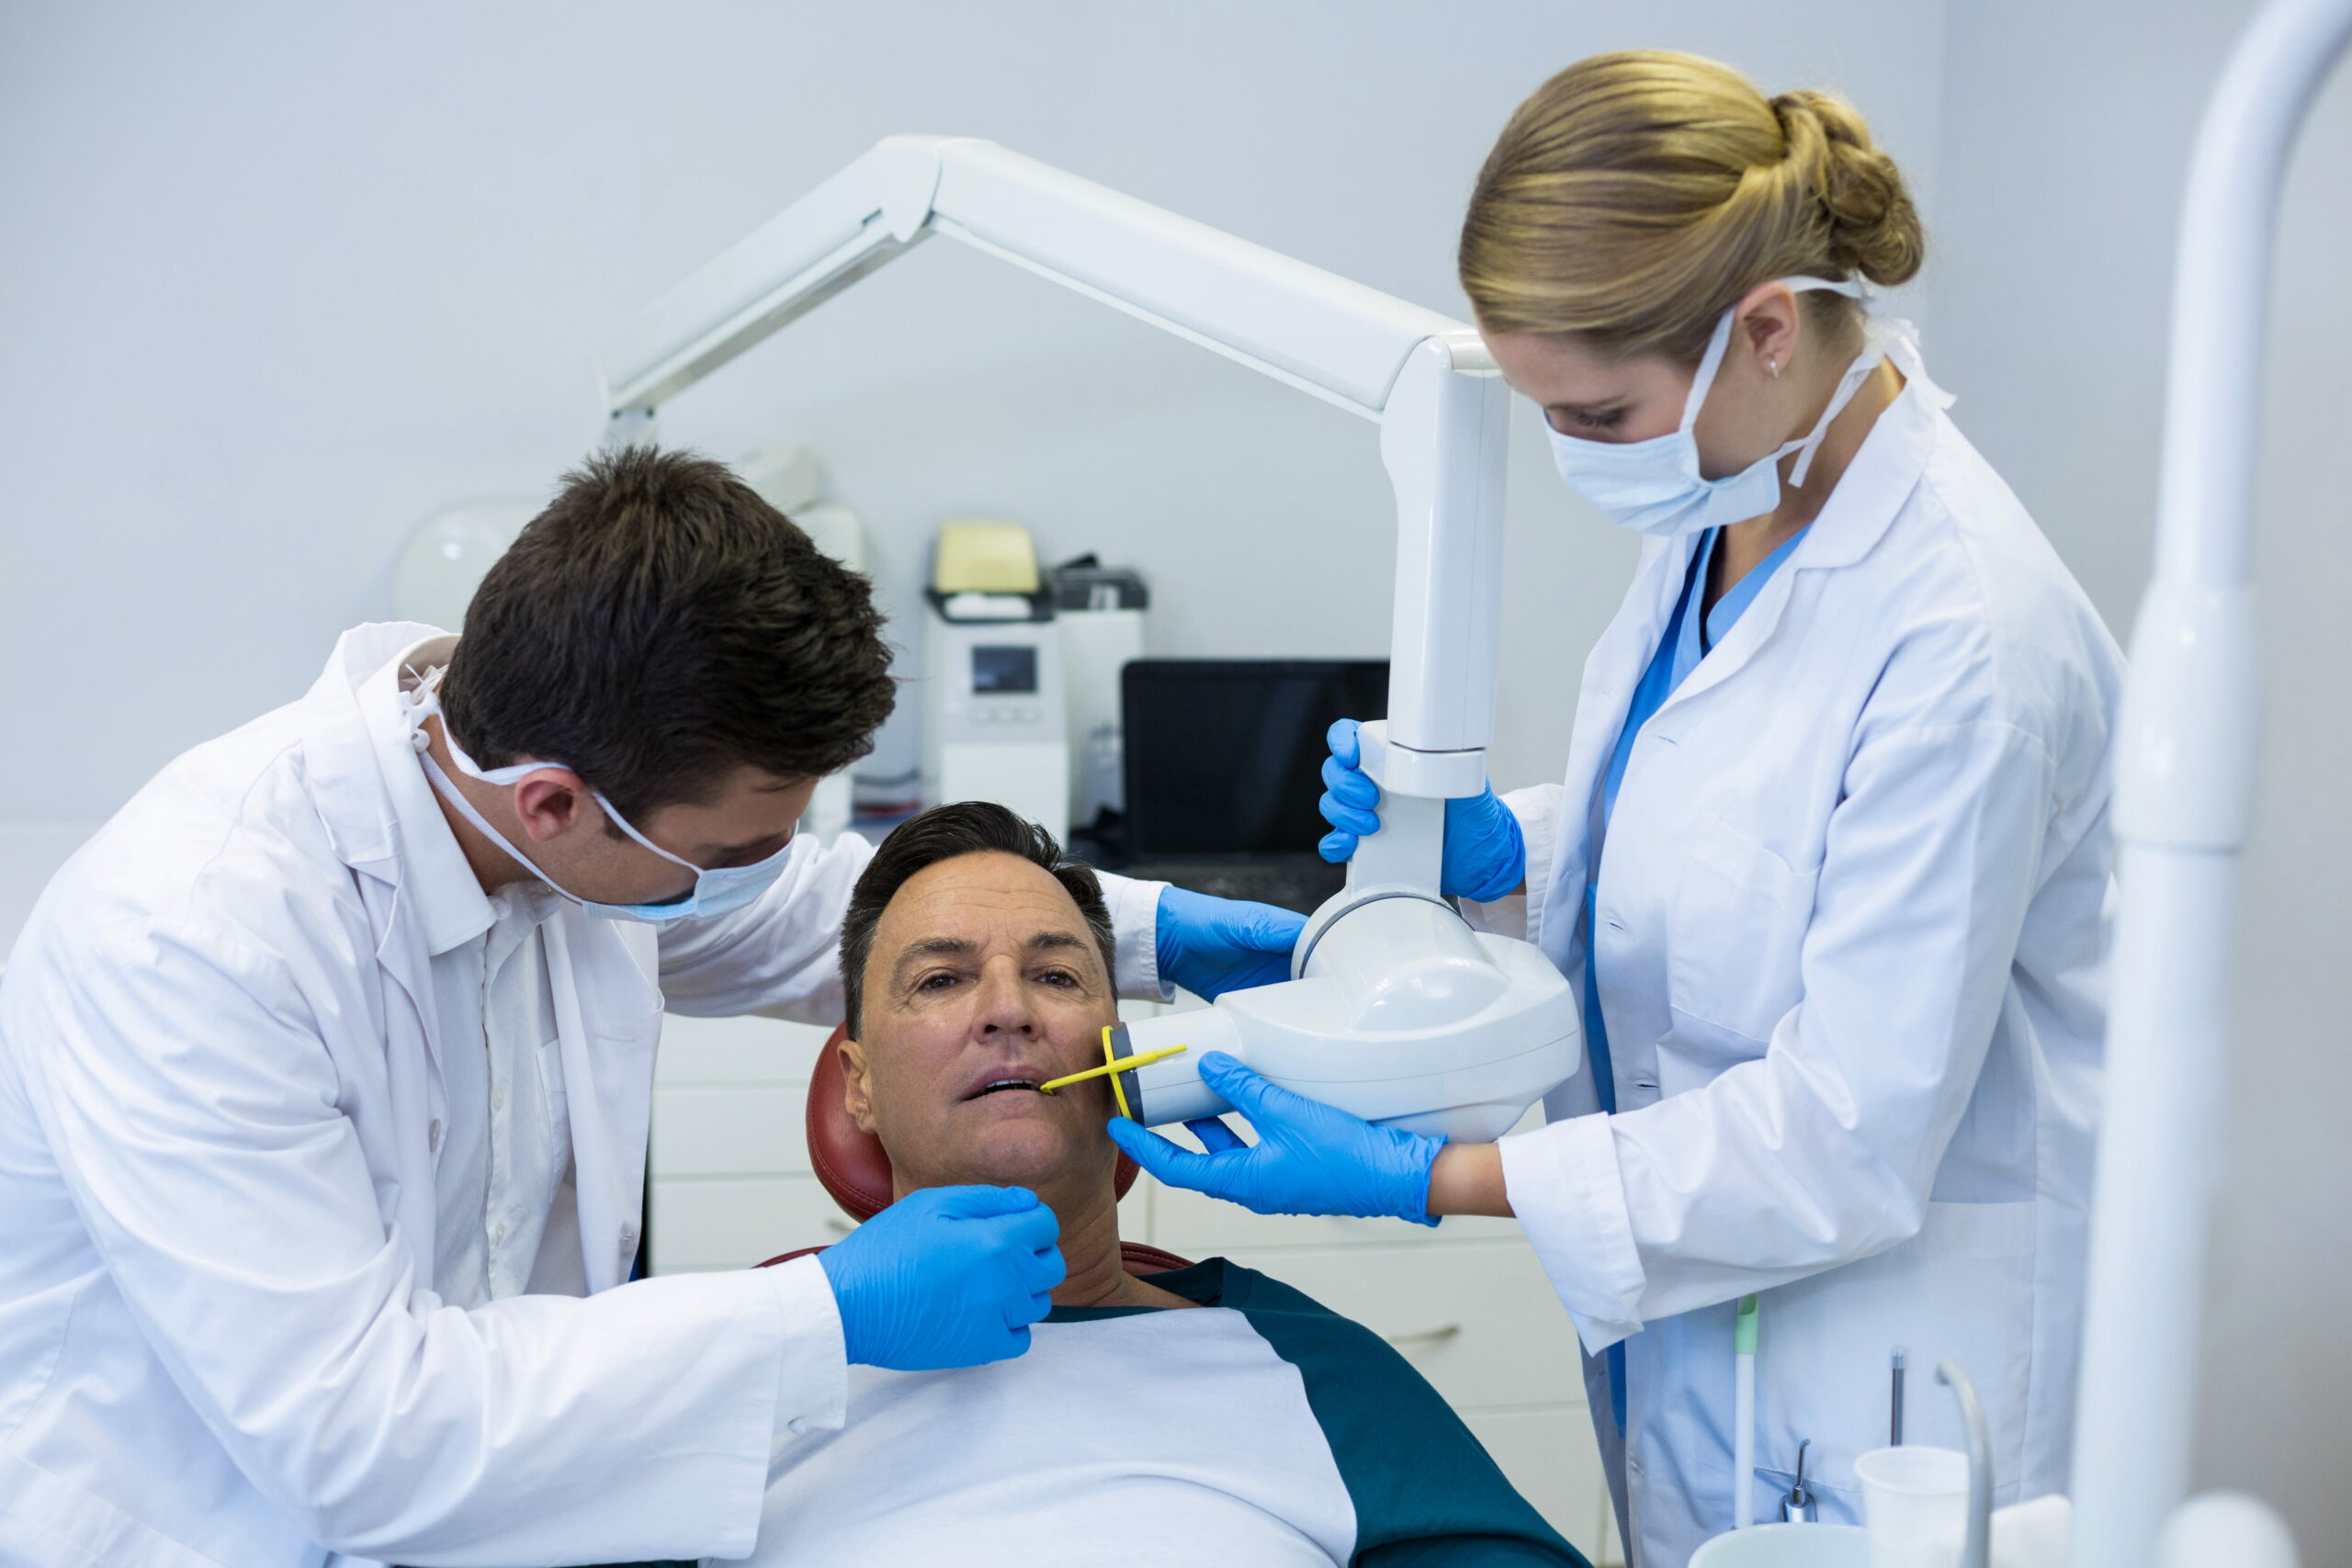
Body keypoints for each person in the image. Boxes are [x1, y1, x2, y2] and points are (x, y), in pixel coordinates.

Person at [1110, 51, 2121, 1566]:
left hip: (1891, 1380)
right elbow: (1734, 817)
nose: (1578, 455)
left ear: (1762, 331)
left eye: (1595, 414)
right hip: (1710, 1333)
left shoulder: (1966, 634)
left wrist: (1433, 1180)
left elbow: (1843, 1134)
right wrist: (1525, 844)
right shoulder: (1741, 498)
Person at [0, 447, 1299, 1567]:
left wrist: (1152, 931)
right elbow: (355, 1432)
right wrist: (825, 1315)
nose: (759, 878)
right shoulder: (196, 942)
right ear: (558, 803)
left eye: (1051, 982)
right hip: (209, 1524)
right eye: (735, 851)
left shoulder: (547, 792)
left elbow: (822, 914)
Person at [618, 801, 1586, 1568]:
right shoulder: (737, 1370)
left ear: (1133, 1055)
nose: (1007, 1012)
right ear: (858, 1087)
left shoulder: (1299, 1360)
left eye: (1056, 976)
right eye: (942, 981)